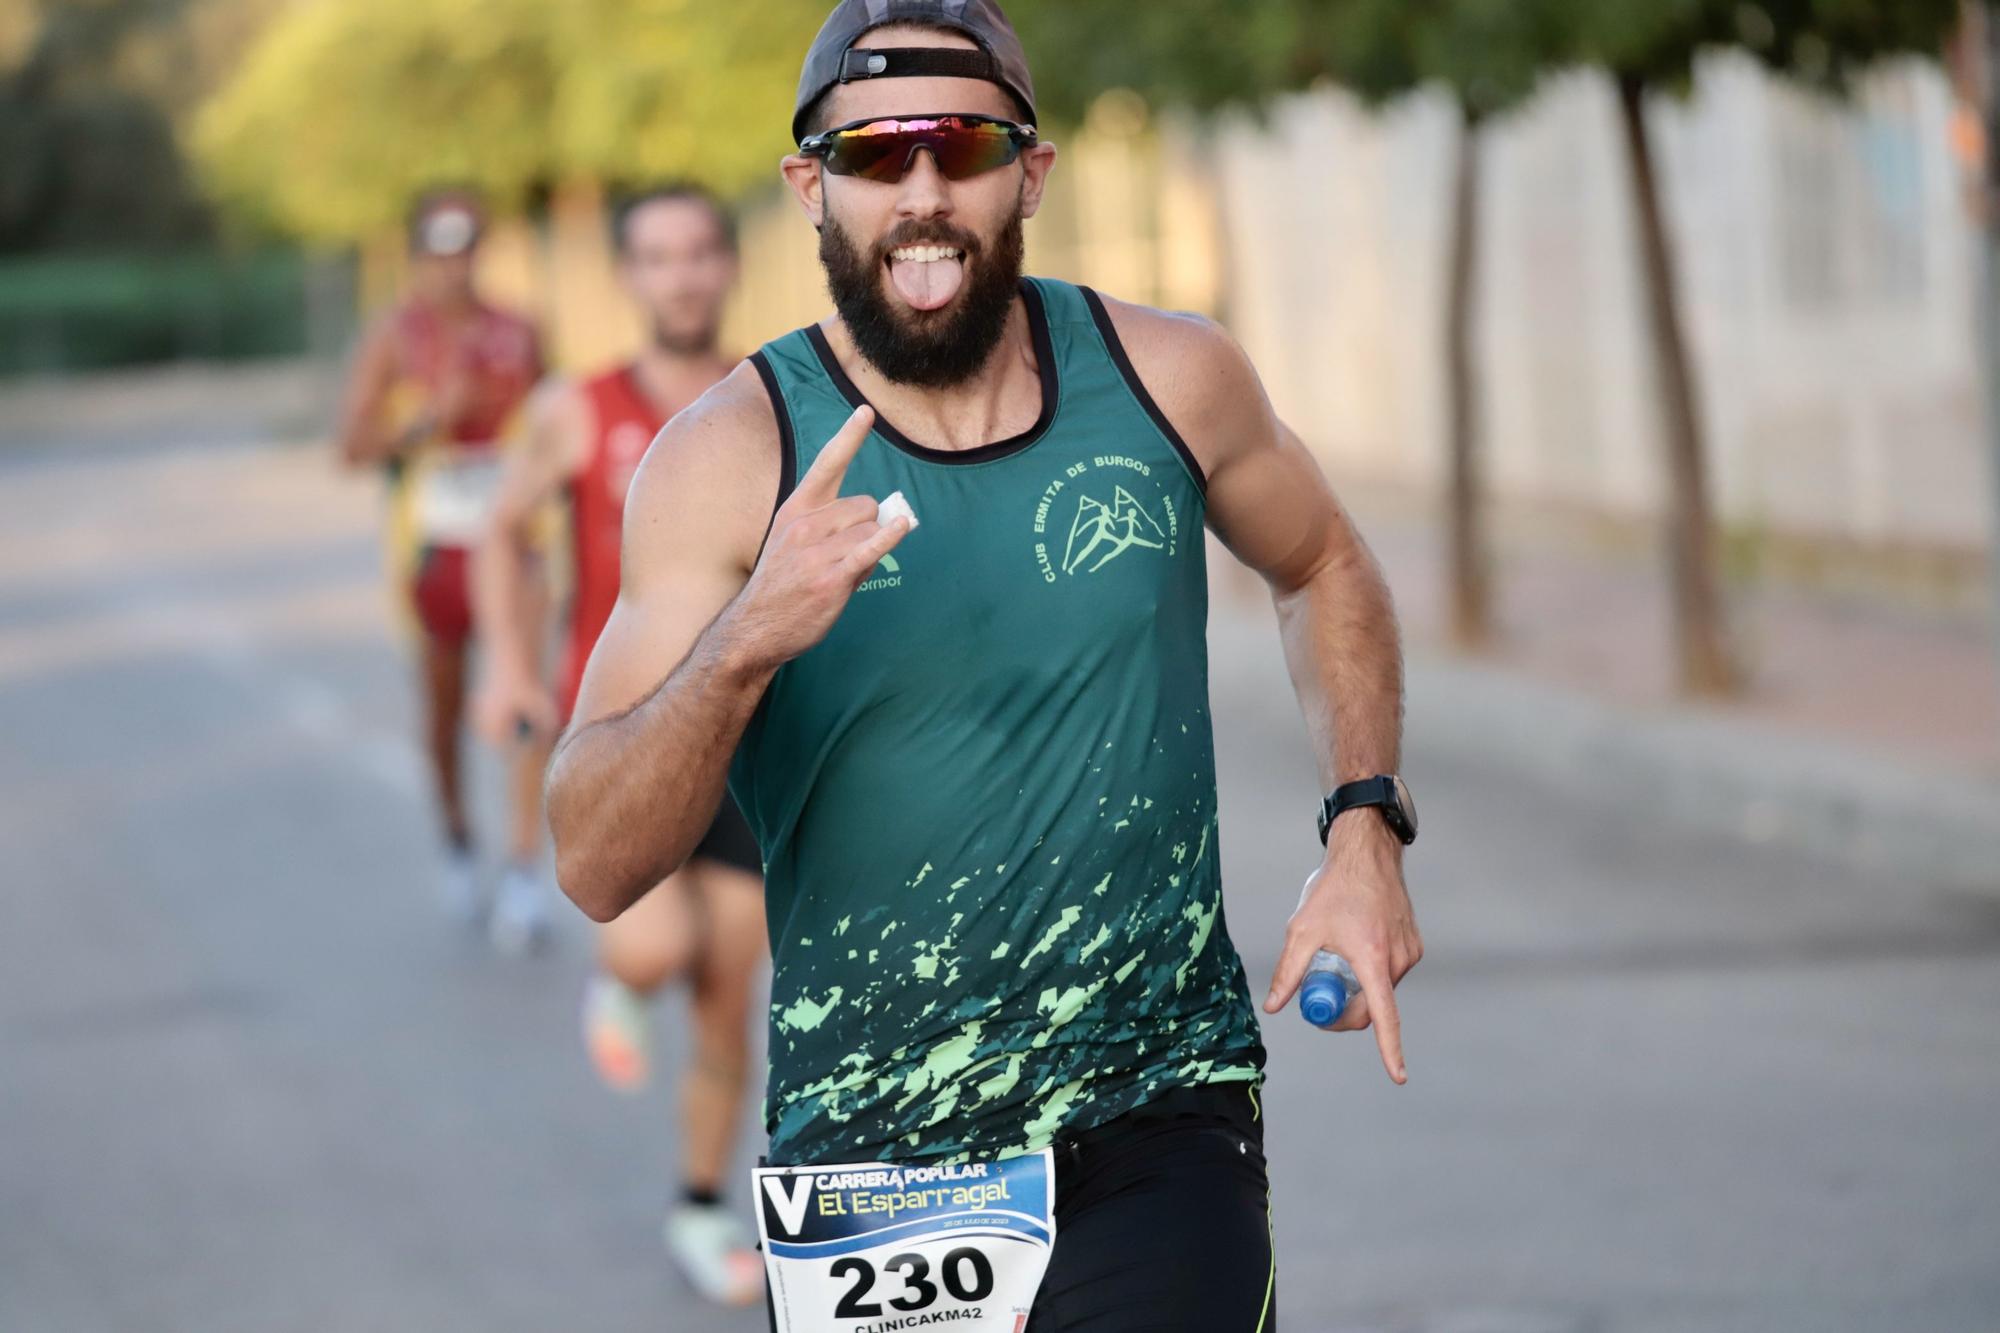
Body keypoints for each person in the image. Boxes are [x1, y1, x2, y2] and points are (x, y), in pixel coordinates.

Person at [546, 3, 1424, 1328]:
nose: (922, 194)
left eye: (961, 146)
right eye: (873, 156)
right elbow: (594, 858)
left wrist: (1365, 827)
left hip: (1157, 1114)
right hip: (872, 1167)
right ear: (809, 187)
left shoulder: (1168, 378)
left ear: (1031, 170)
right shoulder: (729, 458)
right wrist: (745, 640)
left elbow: (1325, 567)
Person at [472, 185, 767, 1307]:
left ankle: (699, 1204)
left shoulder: (768, 396)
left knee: (728, 994)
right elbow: (503, 528)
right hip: (621, 736)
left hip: (747, 735)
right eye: (655, 257)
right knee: (652, 950)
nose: (680, 277)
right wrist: (505, 663)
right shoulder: (575, 408)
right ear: (627, 278)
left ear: (728, 264)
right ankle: (621, 982)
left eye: (698, 254)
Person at [335, 189, 553, 952]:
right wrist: (428, 419)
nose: (452, 269)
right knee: (444, 706)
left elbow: (554, 419)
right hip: (429, 550)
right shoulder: (395, 337)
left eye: (465, 252)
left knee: (528, 694)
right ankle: (459, 836)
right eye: (437, 253)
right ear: (416, 256)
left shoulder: (519, 332)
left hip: (512, 543)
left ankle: (524, 865)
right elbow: (350, 446)